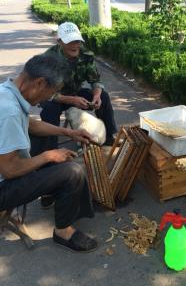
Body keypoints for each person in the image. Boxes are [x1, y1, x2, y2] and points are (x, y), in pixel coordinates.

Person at [0, 54, 98, 253]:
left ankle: (52, 191)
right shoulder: (9, 112)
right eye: (50, 92)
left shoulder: (7, 92)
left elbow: (31, 125)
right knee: (73, 172)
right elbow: (9, 169)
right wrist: (49, 156)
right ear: (39, 83)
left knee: (44, 137)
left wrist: (68, 132)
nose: (47, 99)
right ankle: (63, 232)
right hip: (3, 186)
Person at [40, 22, 117, 151]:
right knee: (49, 110)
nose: (75, 45)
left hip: (75, 92)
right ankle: (50, 149)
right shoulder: (48, 59)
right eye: (70, 41)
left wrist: (97, 95)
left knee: (103, 96)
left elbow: (95, 81)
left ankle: (109, 137)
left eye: (77, 41)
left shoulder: (86, 55)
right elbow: (44, 92)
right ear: (59, 41)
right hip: (54, 97)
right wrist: (70, 100)